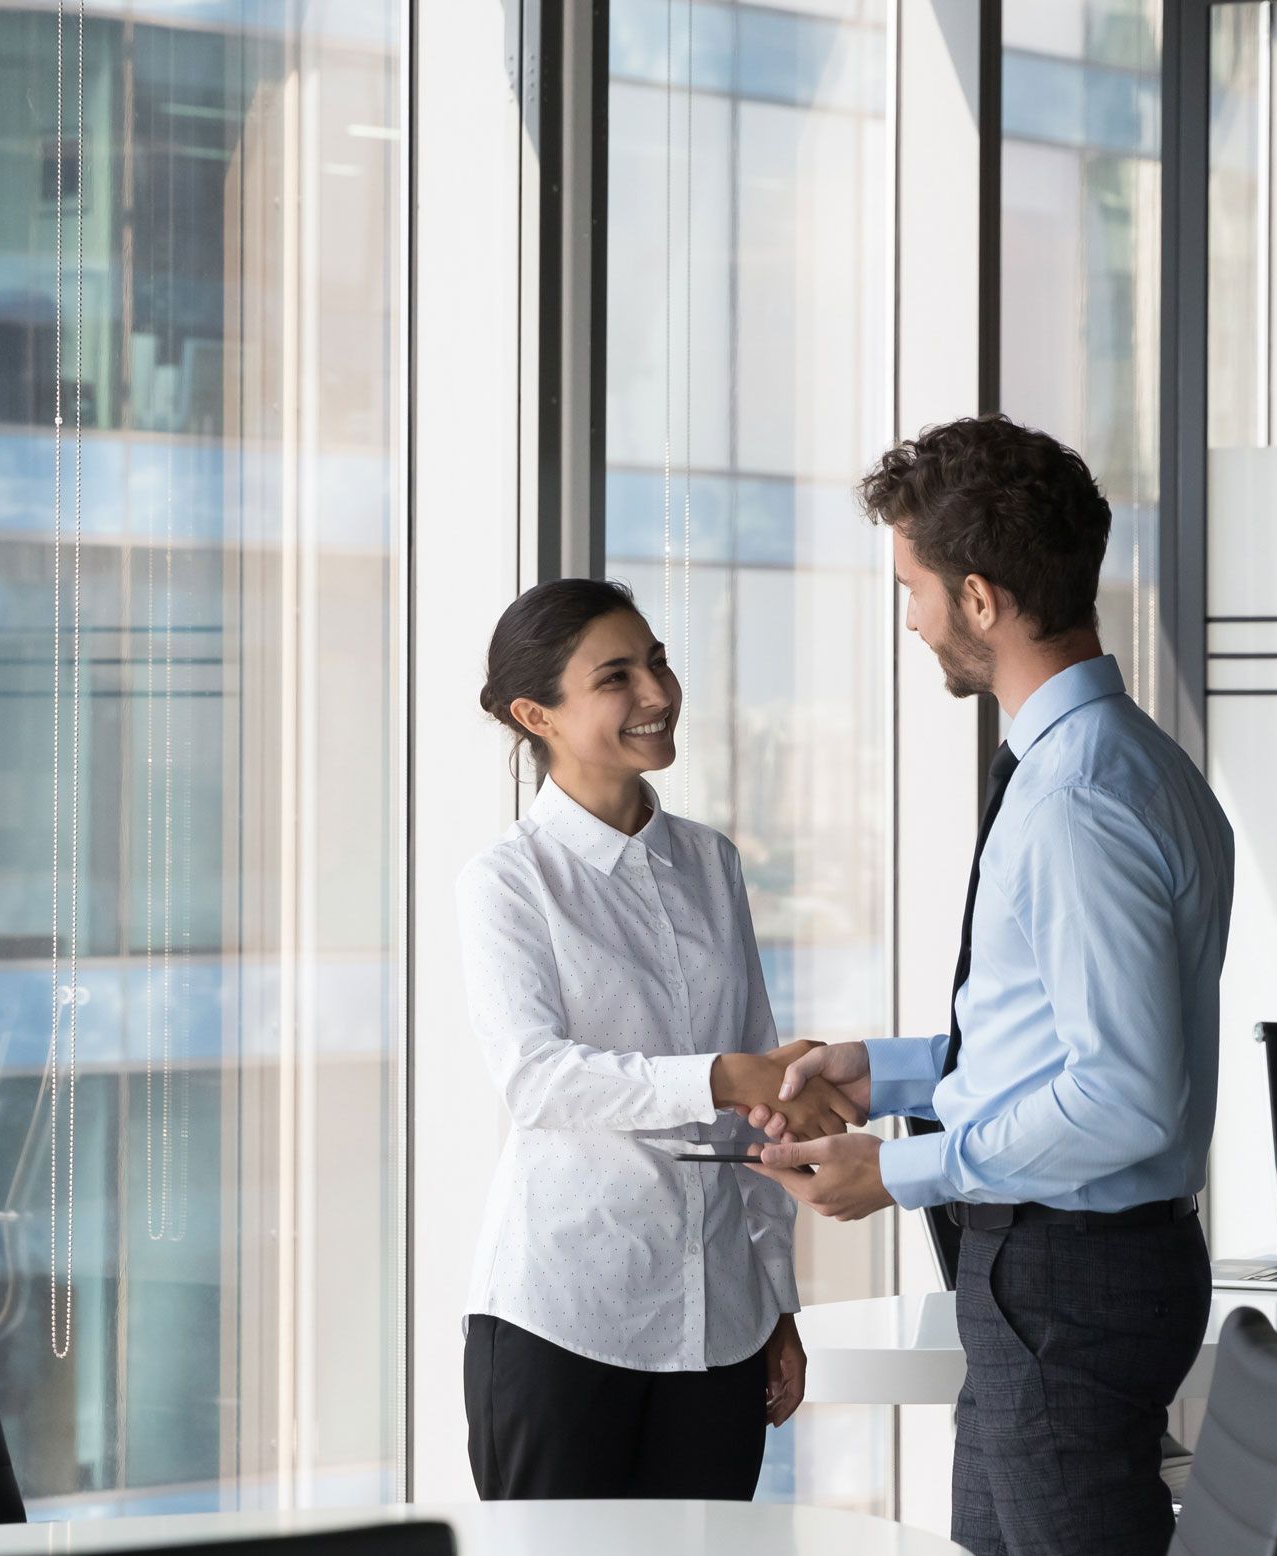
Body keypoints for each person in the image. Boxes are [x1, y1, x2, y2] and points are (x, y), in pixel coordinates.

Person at [749, 416, 1234, 1556]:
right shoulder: (1133, 761)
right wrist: (890, 1068)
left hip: (1068, 1277)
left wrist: (901, 1167)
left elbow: (1124, 1097)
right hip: (1057, 1276)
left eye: (913, 588)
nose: (910, 618)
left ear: (979, 598)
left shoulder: (1076, 796)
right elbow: (1061, 1033)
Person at [457, 577, 863, 1501]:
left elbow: (763, 1111)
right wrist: (721, 1076)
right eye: (617, 677)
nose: (657, 693)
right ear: (538, 714)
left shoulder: (712, 864)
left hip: (720, 1325)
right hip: (564, 1322)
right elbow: (538, 1080)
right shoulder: (508, 883)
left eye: (659, 661)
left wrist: (775, 1307)